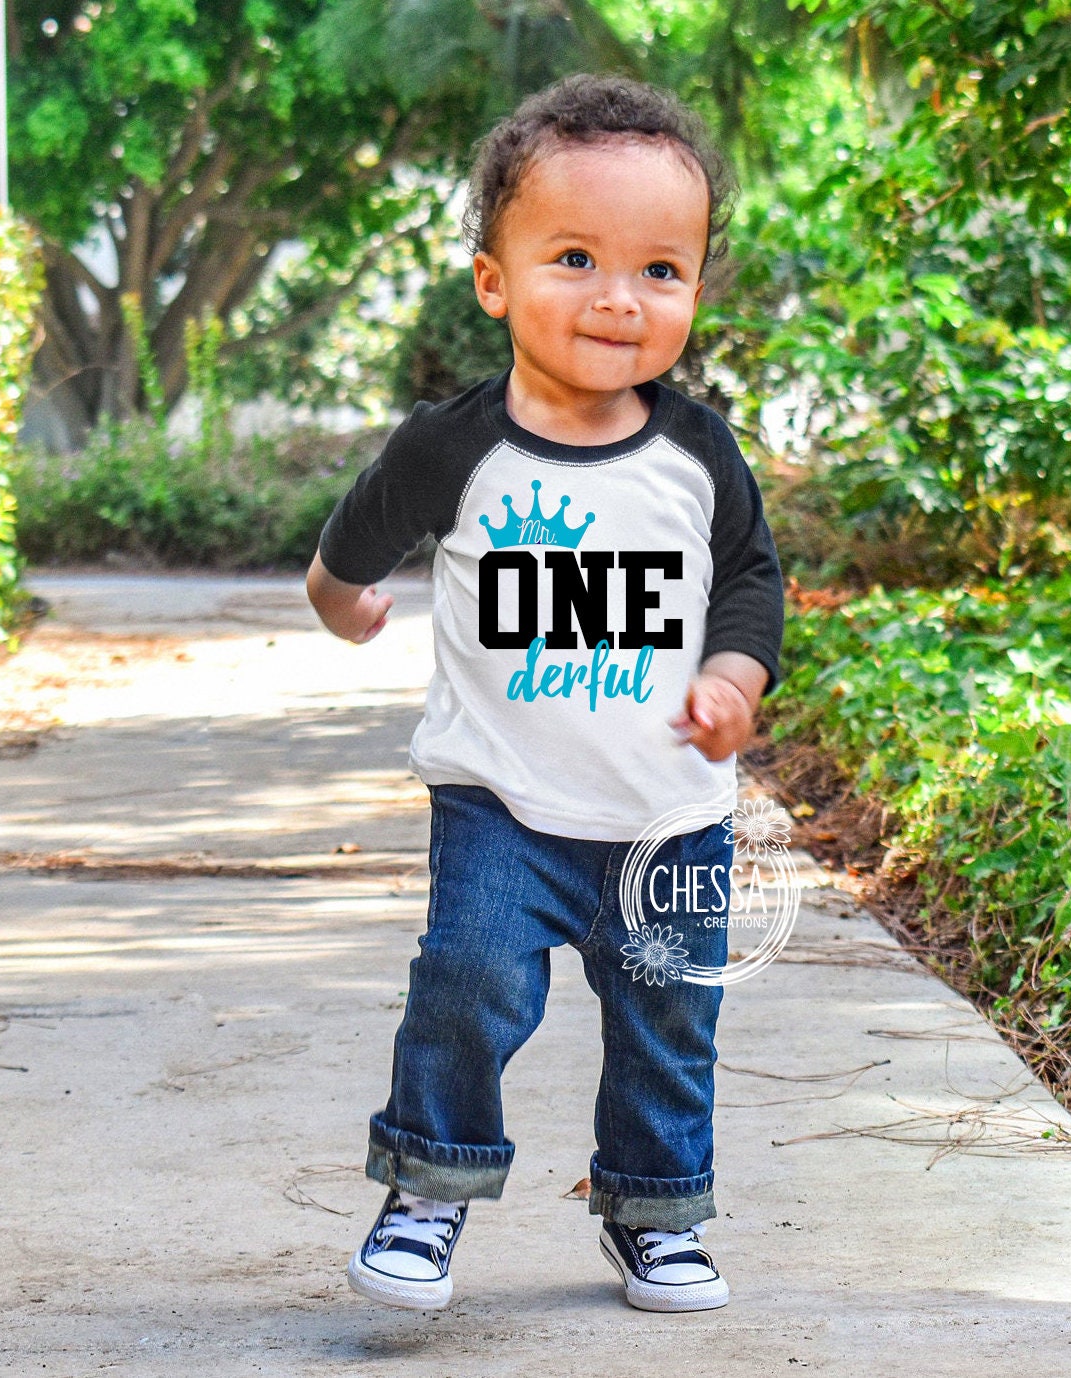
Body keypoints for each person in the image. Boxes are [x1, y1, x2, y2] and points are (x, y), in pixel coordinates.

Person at [306, 73, 785, 1314]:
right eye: (574, 257)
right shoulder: (453, 448)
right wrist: (340, 601)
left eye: (660, 270)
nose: (618, 298)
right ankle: (428, 1190)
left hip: (668, 816)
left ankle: (655, 1213)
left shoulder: (698, 453)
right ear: (493, 280)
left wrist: (733, 675)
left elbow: (747, 580)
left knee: (670, 1029)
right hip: (501, 809)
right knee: (462, 990)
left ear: (692, 287)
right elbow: (348, 544)